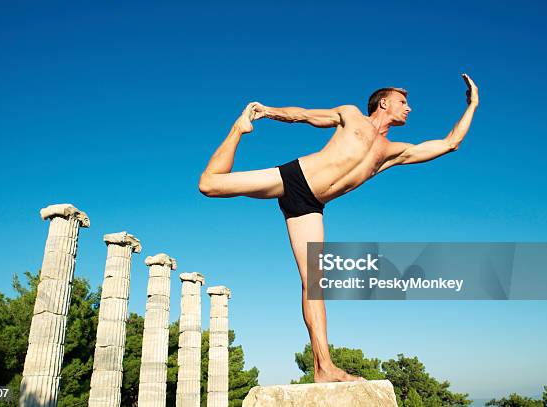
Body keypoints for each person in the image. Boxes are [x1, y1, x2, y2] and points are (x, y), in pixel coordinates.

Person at [198, 74, 479, 382]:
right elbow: (303, 115)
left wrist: (472, 105)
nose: (409, 108)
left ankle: (323, 368)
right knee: (210, 185)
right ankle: (238, 130)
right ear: (383, 102)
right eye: (403, 102)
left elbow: (450, 143)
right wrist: (266, 111)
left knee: (314, 283)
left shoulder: (392, 151)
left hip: (311, 207)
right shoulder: (350, 115)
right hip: (296, 178)